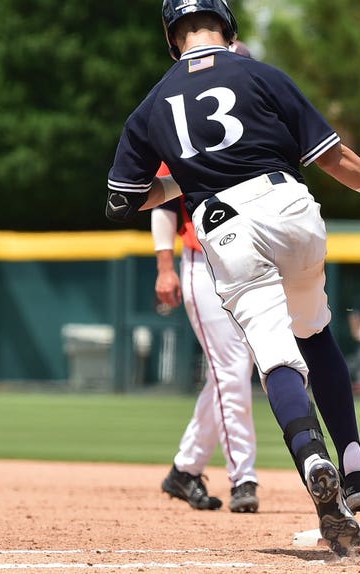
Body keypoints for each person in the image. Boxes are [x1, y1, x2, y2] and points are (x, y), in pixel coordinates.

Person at [105, 0, 360, 557]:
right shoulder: (261, 74)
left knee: (274, 360)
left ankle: (310, 459)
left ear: (171, 39)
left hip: (222, 225)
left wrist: (184, 183)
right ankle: (353, 463)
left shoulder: (151, 105)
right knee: (314, 334)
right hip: (289, 206)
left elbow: (123, 201)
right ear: (228, 26)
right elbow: (335, 158)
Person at [153, 162, 259, 514]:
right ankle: (243, 478)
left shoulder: (248, 135)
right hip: (203, 262)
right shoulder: (180, 131)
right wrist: (165, 268)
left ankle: (185, 469)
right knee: (233, 367)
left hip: (249, 262)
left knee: (227, 373)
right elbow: (163, 204)